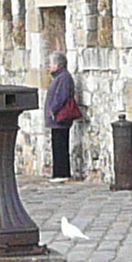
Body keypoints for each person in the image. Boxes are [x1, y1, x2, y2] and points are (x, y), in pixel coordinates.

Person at [42, 51, 82, 182]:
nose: (49, 66)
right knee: (57, 144)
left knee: (60, 145)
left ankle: (62, 173)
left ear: (58, 65)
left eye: (51, 63)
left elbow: (61, 96)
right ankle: (58, 172)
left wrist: (53, 109)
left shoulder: (64, 77)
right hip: (56, 119)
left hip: (60, 117)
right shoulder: (59, 77)